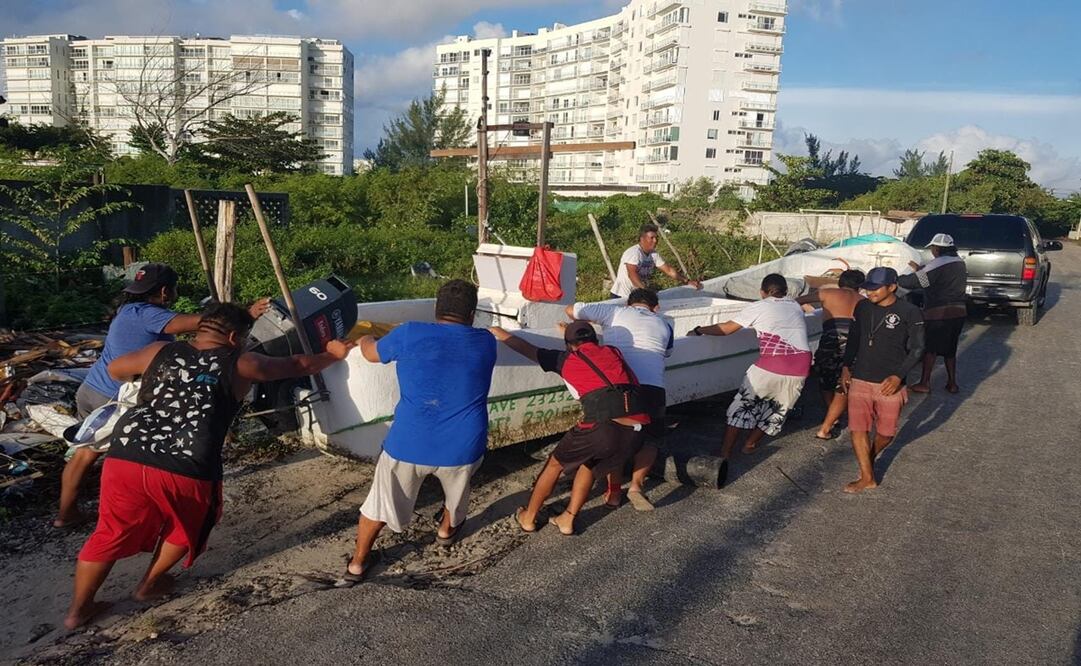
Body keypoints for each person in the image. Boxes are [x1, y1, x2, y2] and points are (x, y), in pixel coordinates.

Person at [65, 303, 351, 629]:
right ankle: (149, 585)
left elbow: (116, 369)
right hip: (187, 463)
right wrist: (334, 353)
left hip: (126, 455)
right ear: (233, 337)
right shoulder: (242, 362)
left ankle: (78, 611)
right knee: (187, 525)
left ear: (200, 328)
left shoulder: (161, 350)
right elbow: (300, 363)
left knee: (110, 531)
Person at [54, 263, 269, 529]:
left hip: (92, 388)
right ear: (166, 291)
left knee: (85, 453)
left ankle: (67, 514)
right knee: (122, 455)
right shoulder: (150, 315)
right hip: (115, 398)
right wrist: (245, 314)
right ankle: (121, 518)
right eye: (175, 289)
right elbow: (208, 325)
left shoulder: (128, 310)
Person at [347, 280, 497, 581]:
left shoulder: (409, 332)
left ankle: (357, 564)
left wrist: (363, 339)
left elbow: (371, 354)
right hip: (463, 446)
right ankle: (445, 531)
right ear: (471, 314)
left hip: (409, 443)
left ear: (435, 309)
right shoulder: (486, 341)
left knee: (378, 507)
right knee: (457, 498)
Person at [492, 321, 648, 535]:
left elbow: (526, 348)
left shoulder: (566, 359)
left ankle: (528, 517)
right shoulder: (613, 352)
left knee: (554, 465)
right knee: (589, 465)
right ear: (595, 340)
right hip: (638, 429)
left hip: (603, 426)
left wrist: (497, 332)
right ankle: (567, 519)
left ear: (570, 346)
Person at [567, 288, 673, 511]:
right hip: (654, 386)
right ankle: (635, 486)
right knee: (651, 439)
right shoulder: (665, 324)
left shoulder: (615, 312)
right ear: (655, 308)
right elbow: (667, 353)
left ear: (629, 304)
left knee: (617, 439)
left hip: (620, 387)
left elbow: (572, 310)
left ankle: (614, 492)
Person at [688, 274, 811, 460]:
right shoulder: (794, 306)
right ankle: (750, 444)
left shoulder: (758, 306)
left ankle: (725, 452)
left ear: (762, 292)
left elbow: (727, 329)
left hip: (772, 364)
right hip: (801, 366)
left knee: (742, 406)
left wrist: (699, 330)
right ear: (786, 291)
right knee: (779, 409)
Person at [840, 267, 925, 494]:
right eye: (867, 288)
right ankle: (868, 477)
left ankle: (868, 457)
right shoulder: (862, 307)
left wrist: (899, 376)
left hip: (891, 381)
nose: (870, 293)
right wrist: (846, 366)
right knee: (857, 428)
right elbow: (854, 338)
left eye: (875, 288)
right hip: (861, 377)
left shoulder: (910, 311)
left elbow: (918, 348)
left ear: (892, 287)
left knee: (886, 433)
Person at [797, 269, 866, 440]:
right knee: (844, 384)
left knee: (825, 380)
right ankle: (831, 418)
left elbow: (796, 301)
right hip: (854, 342)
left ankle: (831, 415)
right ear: (860, 286)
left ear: (840, 282)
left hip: (831, 339)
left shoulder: (827, 293)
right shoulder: (864, 301)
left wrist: (807, 309)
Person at [899, 233, 967, 394]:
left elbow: (914, 282)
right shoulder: (959, 262)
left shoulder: (938, 263)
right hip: (959, 312)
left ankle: (924, 383)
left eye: (932, 248)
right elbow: (931, 279)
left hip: (939, 313)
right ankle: (952, 383)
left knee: (931, 349)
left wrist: (897, 278)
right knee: (950, 350)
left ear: (937, 249)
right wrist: (921, 270)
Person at [610, 223, 702, 299]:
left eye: (656, 238)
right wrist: (646, 290)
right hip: (621, 296)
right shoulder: (634, 253)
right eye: (652, 238)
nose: (655, 241)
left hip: (637, 295)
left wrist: (687, 281)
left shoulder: (654, 254)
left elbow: (669, 270)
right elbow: (632, 275)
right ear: (642, 239)